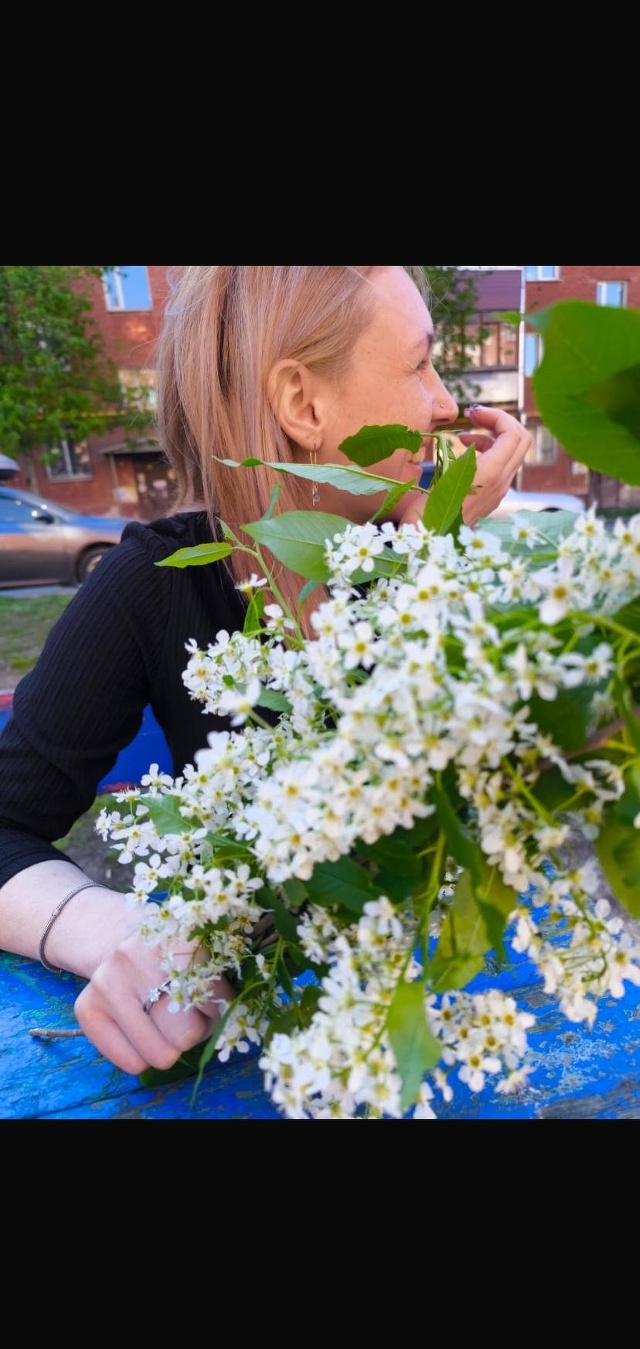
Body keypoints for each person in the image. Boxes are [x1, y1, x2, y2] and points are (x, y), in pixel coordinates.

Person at [0, 265, 532, 1078]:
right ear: (302, 406)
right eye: (420, 363)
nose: (446, 404)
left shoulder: (419, 545)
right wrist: (117, 930)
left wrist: (433, 555)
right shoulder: (159, 582)